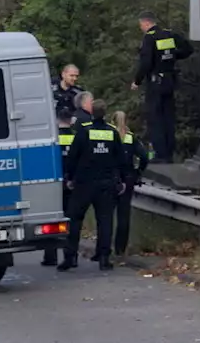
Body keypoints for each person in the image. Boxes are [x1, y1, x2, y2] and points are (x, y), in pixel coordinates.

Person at [60, 93, 126, 271]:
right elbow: (121, 159)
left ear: (92, 112)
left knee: (74, 219)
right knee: (105, 222)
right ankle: (104, 258)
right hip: (106, 184)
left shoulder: (84, 131)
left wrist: (70, 178)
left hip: (84, 183)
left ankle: (70, 257)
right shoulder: (112, 133)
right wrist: (120, 180)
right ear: (104, 114)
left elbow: (73, 156)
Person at [130, 11, 194, 163]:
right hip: (170, 81)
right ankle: (169, 153)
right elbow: (188, 49)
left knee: (155, 118)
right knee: (168, 118)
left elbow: (146, 63)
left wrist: (137, 81)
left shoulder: (149, 38)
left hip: (155, 82)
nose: (141, 28)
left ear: (146, 23)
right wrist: (173, 56)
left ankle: (160, 155)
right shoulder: (169, 34)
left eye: (141, 25)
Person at [41, 71, 84, 268]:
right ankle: (70, 256)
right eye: (72, 75)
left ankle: (50, 256)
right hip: (72, 180)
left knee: (51, 217)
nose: (74, 78)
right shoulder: (77, 136)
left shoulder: (52, 139)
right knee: (72, 218)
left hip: (55, 180)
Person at [110, 110, 148, 260]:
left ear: (112, 121)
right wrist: (138, 172)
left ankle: (106, 248)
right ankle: (121, 249)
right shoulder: (131, 138)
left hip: (111, 178)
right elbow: (144, 157)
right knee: (124, 215)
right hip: (128, 178)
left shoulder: (109, 135)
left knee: (106, 215)